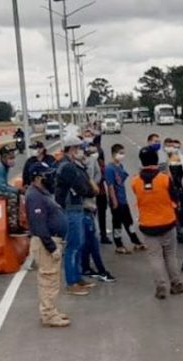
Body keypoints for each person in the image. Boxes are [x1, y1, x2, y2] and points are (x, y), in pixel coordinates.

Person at [131, 147, 183, 299]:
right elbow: (175, 198)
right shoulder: (164, 179)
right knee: (170, 255)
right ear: (156, 160)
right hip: (167, 222)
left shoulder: (135, 181)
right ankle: (176, 284)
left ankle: (160, 287)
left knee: (155, 257)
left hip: (147, 225)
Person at [25, 163, 70, 327]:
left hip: (51, 240)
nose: (51, 178)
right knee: (48, 279)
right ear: (38, 178)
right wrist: (52, 247)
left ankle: (51, 310)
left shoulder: (42, 193)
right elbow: (39, 225)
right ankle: (48, 315)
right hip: (46, 244)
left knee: (52, 279)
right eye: (47, 175)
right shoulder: (34, 196)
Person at [55, 136, 98, 296]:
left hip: (76, 207)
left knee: (78, 244)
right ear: (72, 149)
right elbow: (83, 188)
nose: (82, 151)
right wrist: (91, 190)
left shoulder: (73, 165)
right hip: (70, 209)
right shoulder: (67, 167)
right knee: (73, 246)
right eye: (80, 148)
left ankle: (77, 277)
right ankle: (71, 282)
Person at [81, 143, 116, 283]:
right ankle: (100, 270)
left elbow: (98, 175)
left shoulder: (92, 161)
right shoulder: (73, 167)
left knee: (88, 240)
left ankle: (86, 267)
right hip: (82, 206)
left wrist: (93, 187)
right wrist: (89, 188)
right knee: (91, 241)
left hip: (90, 203)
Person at [104, 144, 145, 254]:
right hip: (116, 200)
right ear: (114, 154)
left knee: (129, 221)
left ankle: (136, 241)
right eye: (120, 153)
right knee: (117, 224)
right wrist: (114, 201)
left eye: (123, 153)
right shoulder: (109, 169)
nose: (122, 155)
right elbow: (110, 186)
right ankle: (119, 244)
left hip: (123, 199)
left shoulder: (120, 166)